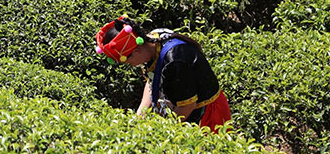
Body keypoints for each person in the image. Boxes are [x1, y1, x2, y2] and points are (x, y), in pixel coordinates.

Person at [95, 16, 232, 133]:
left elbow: (187, 105)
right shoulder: (153, 40)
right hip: (179, 108)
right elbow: (152, 79)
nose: (130, 65)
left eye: (127, 61)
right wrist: (140, 116)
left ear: (136, 51)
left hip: (206, 115)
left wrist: (164, 131)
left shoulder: (175, 61)